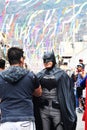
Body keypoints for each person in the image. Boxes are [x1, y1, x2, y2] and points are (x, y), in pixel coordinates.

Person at [0, 47, 42, 130]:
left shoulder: (1, 77)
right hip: (25, 119)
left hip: (6, 120)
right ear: (21, 59)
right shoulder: (30, 76)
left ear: (9, 60)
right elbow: (39, 93)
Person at [35, 51, 77, 130]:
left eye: (48, 60)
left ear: (53, 60)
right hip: (44, 109)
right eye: (45, 60)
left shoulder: (61, 74)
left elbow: (68, 94)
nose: (47, 62)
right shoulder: (40, 75)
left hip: (57, 109)